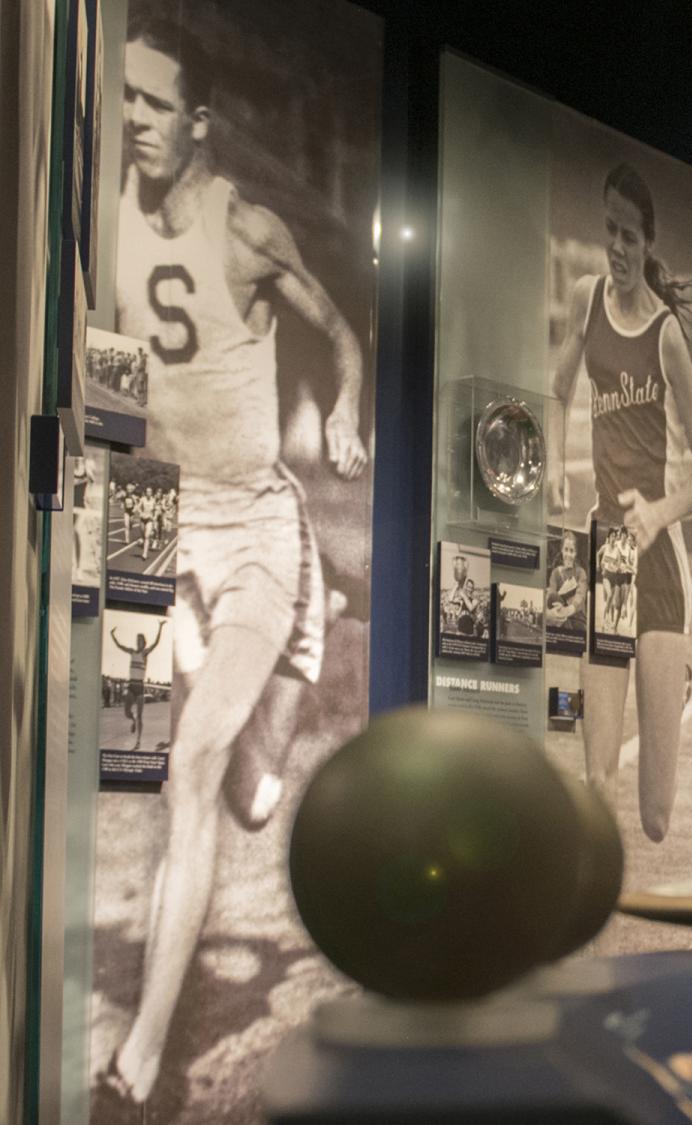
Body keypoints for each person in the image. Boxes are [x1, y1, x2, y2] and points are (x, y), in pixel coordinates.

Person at [101, 16, 368, 1108]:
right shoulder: (104, 218)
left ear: (199, 123)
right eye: (127, 101)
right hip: (156, 515)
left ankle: (139, 1066)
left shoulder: (246, 231)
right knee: (158, 764)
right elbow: (113, 375)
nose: (136, 120)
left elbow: (343, 334)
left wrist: (349, 402)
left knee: (202, 777)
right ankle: (320, 617)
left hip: (259, 528)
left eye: (157, 105)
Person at [548, 162, 692, 844]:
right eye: (609, 230)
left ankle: (672, 672)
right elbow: (556, 391)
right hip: (609, 557)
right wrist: (555, 462)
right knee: (596, 781)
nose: (616, 247)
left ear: (647, 241)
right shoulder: (587, 301)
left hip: (661, 565)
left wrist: (660, 513)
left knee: (654, 816)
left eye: (628, 235)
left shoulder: (667, 334)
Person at [110, 621, 166, 751]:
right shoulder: (132, 651)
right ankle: (133, 720)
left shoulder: (144, 653)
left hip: (140, 687)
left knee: (141, 715)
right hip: (131, 685)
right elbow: (119, 646)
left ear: (143, 642)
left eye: (140, 640)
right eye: (137, 640)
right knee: (126, 712)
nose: (137, 642)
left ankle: (138, 741)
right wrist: (112, 635)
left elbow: (156, 644)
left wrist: (160, 627)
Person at [546, 530, 589, 630]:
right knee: (553, 597)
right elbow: (551, 594)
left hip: (577, 619)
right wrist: (553, 611)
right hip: (559, 614)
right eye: (566, 550)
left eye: (571, 550)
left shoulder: (580, 572)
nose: (568, 555)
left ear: (576, 553)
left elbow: (580, 596)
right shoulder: (555, 573)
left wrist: (566, 610)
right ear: (561, 550)